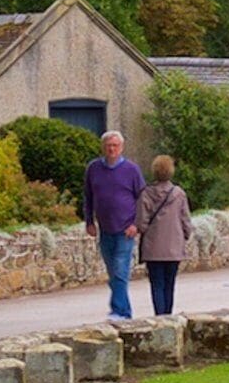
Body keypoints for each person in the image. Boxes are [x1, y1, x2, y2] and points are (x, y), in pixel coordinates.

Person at [81, 130, 146, 320]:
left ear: (122, 148)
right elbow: (88, 196)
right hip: (105, 229)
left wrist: (137, 224)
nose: (112, 149)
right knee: (113, 272)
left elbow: (143, 199)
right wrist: (89, 221)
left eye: (115, 146)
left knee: (120, 270)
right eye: (109, 145)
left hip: (125, 230)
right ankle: (125, 311)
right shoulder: (93, 168)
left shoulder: (132, 170)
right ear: (103, 147)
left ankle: (118, 311)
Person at [135, 154, 192, 317]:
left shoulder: (146, 193)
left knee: (157, 284)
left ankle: (160, 316)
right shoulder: (179, 193)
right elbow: (185, 219)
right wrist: (186, 235)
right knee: (170, 284)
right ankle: (169, 315)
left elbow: (141, 222)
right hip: (174, 247)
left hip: (153, 248)